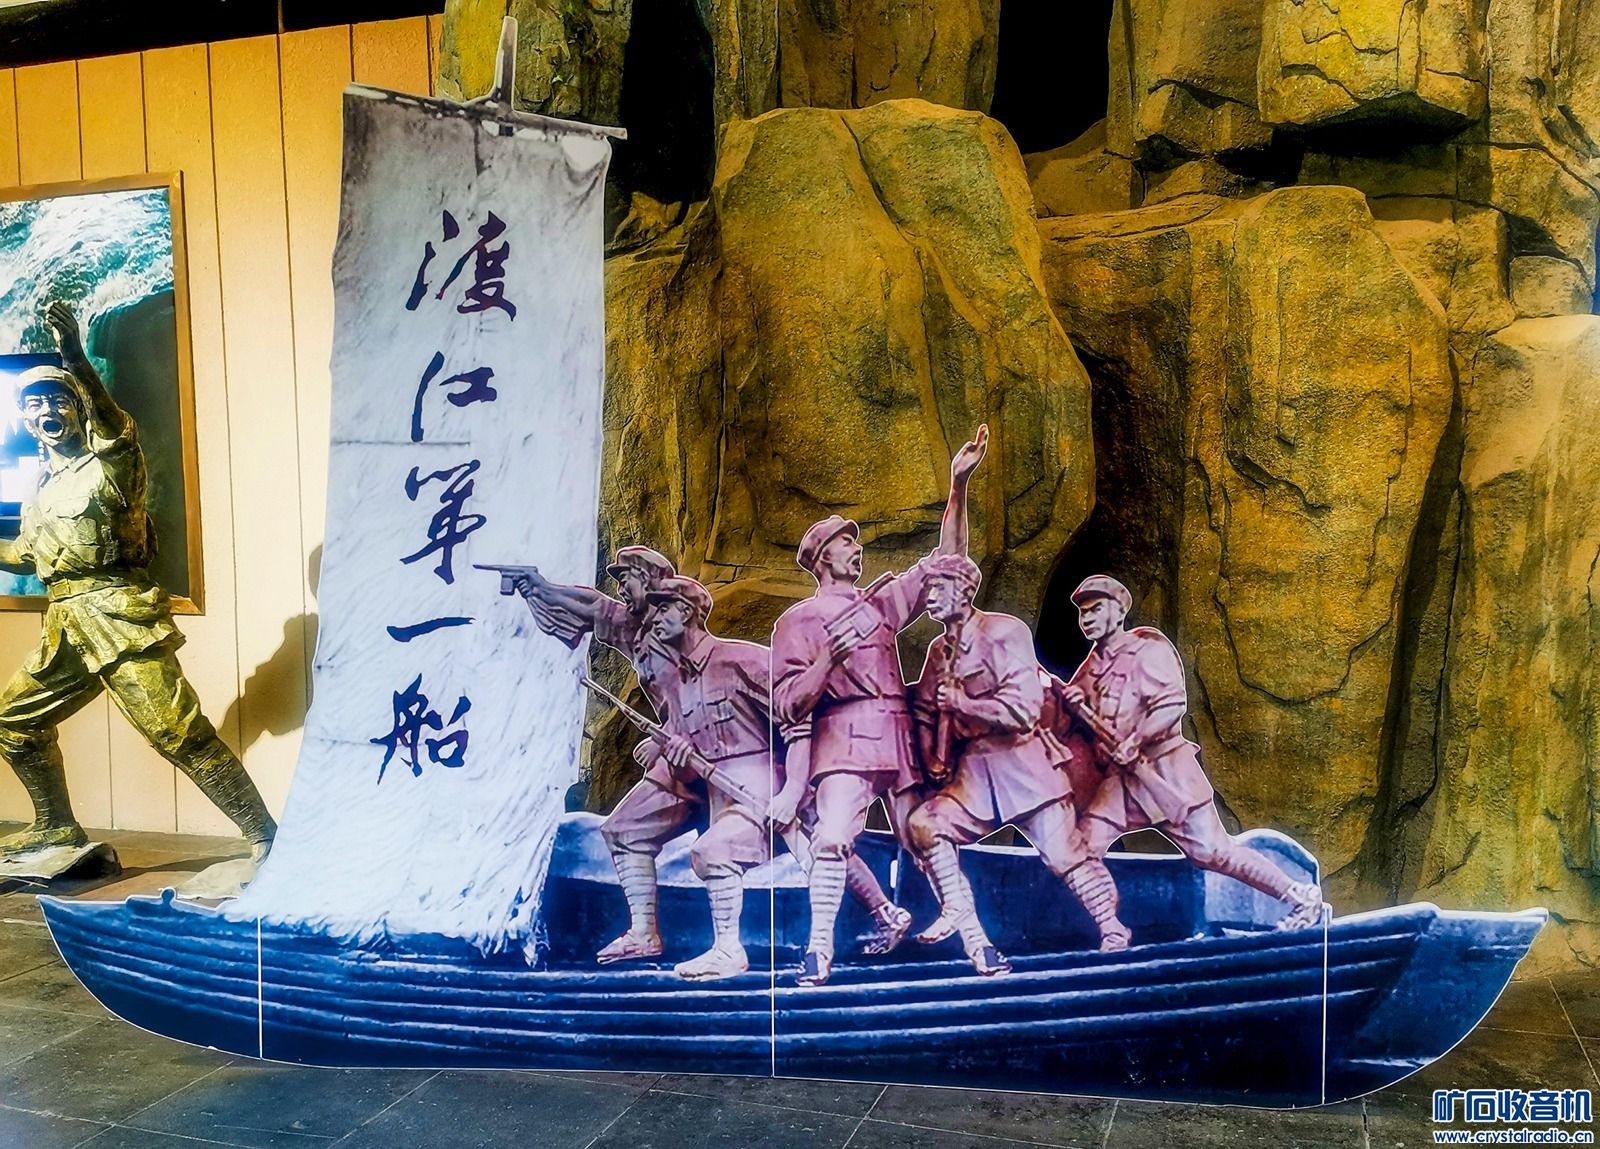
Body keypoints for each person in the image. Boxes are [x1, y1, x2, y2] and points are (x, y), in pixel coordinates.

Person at [0, 302, 275, 862]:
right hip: (67, 626)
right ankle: (56, 827)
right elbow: (25, 555)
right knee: (14, 723)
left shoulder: (113, 464)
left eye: (59, 400)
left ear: (78, 408)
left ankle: (267, 837)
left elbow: (112, 424)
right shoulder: (41, 490)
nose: (48, 410)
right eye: (36, 404)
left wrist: (75, 357)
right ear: (25, 421)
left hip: (119, 617)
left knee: (178, 733)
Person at [772, 427, 988, 986]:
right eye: (846, 542)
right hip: (844, 741)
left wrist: (958, 487)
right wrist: (827, 661)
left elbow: (948, 560)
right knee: (832, 838)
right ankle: (818, 951)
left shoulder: (880, 604)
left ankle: (980, 945)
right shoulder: (796, 622)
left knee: (927, 839)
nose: (857, 548)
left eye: (855, 541)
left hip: (898, 737)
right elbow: (788, 704)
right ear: (822, 557)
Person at [906, 555, 1131, 976]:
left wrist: (964, 704)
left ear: (964, 590)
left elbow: (1024, 710)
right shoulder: (940, 651)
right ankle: (960, 912)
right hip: (975, 772)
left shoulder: (1005, 632)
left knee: (1065, 855)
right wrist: (932, 752)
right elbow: (923, 709)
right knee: (925, 824)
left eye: (938, 588)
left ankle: (1112, 927)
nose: (929, 597)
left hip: (1024, 764)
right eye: (928, 589)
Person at [1058, 575, 1324, 929]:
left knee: (1213, 852)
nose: (1087, 618)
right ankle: (1108, 931)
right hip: (1120, 784)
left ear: (1119, 610)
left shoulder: (1148, 649)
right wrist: (1072, 703)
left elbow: (1171, 705)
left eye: (1096, 609)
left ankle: (1299, 897)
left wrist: (1134, 740)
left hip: (1166, 772)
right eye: (1083, 613)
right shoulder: (1090, 669)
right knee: (1084, 848)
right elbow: (1075, 727)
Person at [513, 546, 686, 964]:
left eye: (627, 579)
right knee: (626, 830)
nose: (620, 588)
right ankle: (644, 933)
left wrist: (670, 737)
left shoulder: (682, 631)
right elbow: (593, 605)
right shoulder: (637, 629)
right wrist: (543, 590)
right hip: (682, 756)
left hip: (718, 752)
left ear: (650, 581)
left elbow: (708, 694)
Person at [642, 576, 776, 979]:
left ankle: (729, 951)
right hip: (723, 800)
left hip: (766, 791)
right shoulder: (680, 685)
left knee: (713, 850)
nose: (654, 618)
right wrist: (679, 757)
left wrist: (799, 790)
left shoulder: (741, 659)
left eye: (663, 609)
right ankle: (724, 950)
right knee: (712, 850)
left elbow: (797, 717)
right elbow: (690, 770)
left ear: (685, 611)